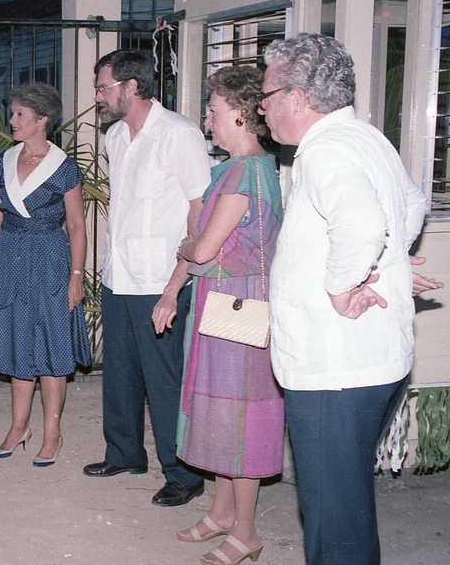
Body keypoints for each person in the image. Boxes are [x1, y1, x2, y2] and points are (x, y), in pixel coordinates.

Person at [260, 33, 429, 565]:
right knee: (344, 502)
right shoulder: (364, 137)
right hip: (366, 362)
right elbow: (411, 203)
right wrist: (387, 262)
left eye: (266, 98)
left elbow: (359, 223)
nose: (262, 110)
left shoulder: (325, 151)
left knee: (333, 516)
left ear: (297, 99)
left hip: (335, 366)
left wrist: (341, 289)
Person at [161, 68, 283, 565]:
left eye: (212, 110)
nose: (207, 120)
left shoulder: (246, 172)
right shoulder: (236, 169)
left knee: (240, 416)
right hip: (225, 302)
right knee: (217, 408)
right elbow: (204, 251)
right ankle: (222, 512)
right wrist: (173, 288)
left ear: (238, 112)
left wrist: (184, 244)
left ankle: (247, 531)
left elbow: (205, 247)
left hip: (241, 306)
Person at [82, 50, 209, 507]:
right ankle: (124, 452)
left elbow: (199, 212)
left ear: (131, 87)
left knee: (165, 379)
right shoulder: (116, 136)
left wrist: (178, 282)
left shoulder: (179, 134)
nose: (98, 96)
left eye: (104, 87)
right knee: (119, 372)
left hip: (160, 279)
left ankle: (183, 472)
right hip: (120, 275)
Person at [0, 82, 91, 467]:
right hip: (8, 257)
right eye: (13, 112)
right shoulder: (4, 162)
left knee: (52, 347)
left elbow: (76, 225)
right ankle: (18, 427)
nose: (12, 120)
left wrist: (76, 276)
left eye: (21, 113)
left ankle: (52, 432)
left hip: (50, 257)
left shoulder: (63, 167)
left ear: (42, 120)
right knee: (17, 341)